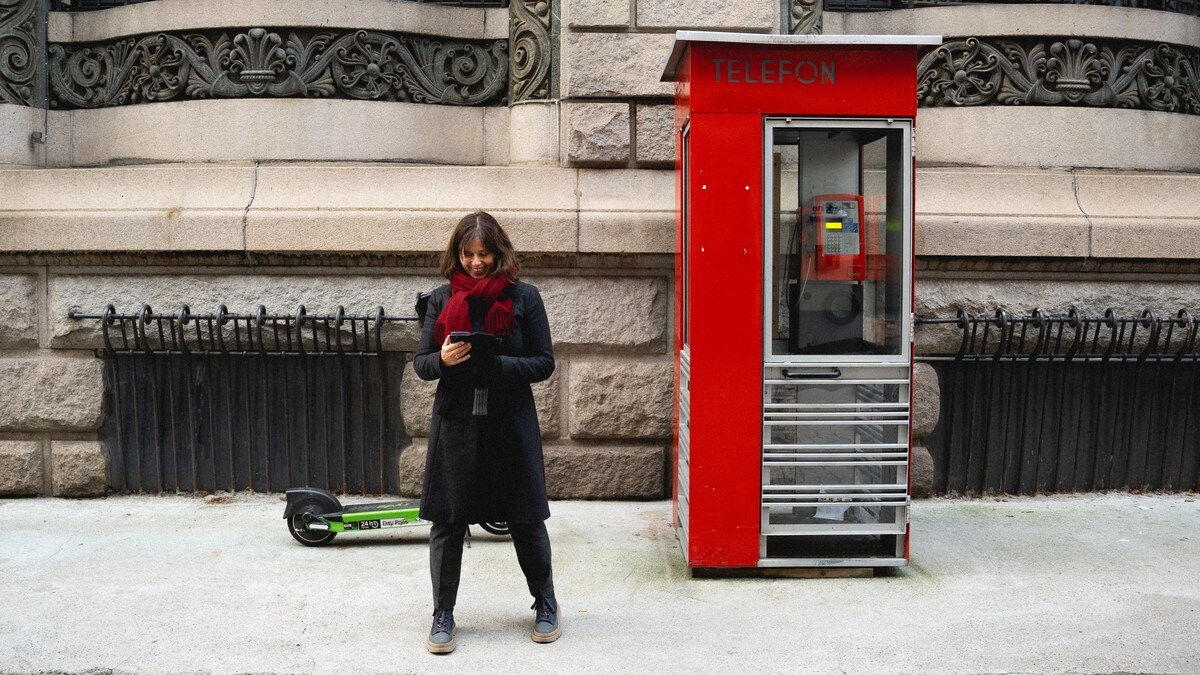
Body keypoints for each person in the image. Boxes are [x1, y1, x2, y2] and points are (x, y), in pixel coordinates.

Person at [412, 211, 559, 654]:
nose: (476, 262)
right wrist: (444, 360)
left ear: (499, 253)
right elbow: (421, 365)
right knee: (448, 521)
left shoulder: (524, 298)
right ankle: (443, 613)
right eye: (468, 253)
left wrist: (498, 364)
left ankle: (546, 602)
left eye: (485, 253)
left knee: (526, 518)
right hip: (456, 423)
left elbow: (544, 361)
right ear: (457, 254)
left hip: (510, 423)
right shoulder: (440, 300)